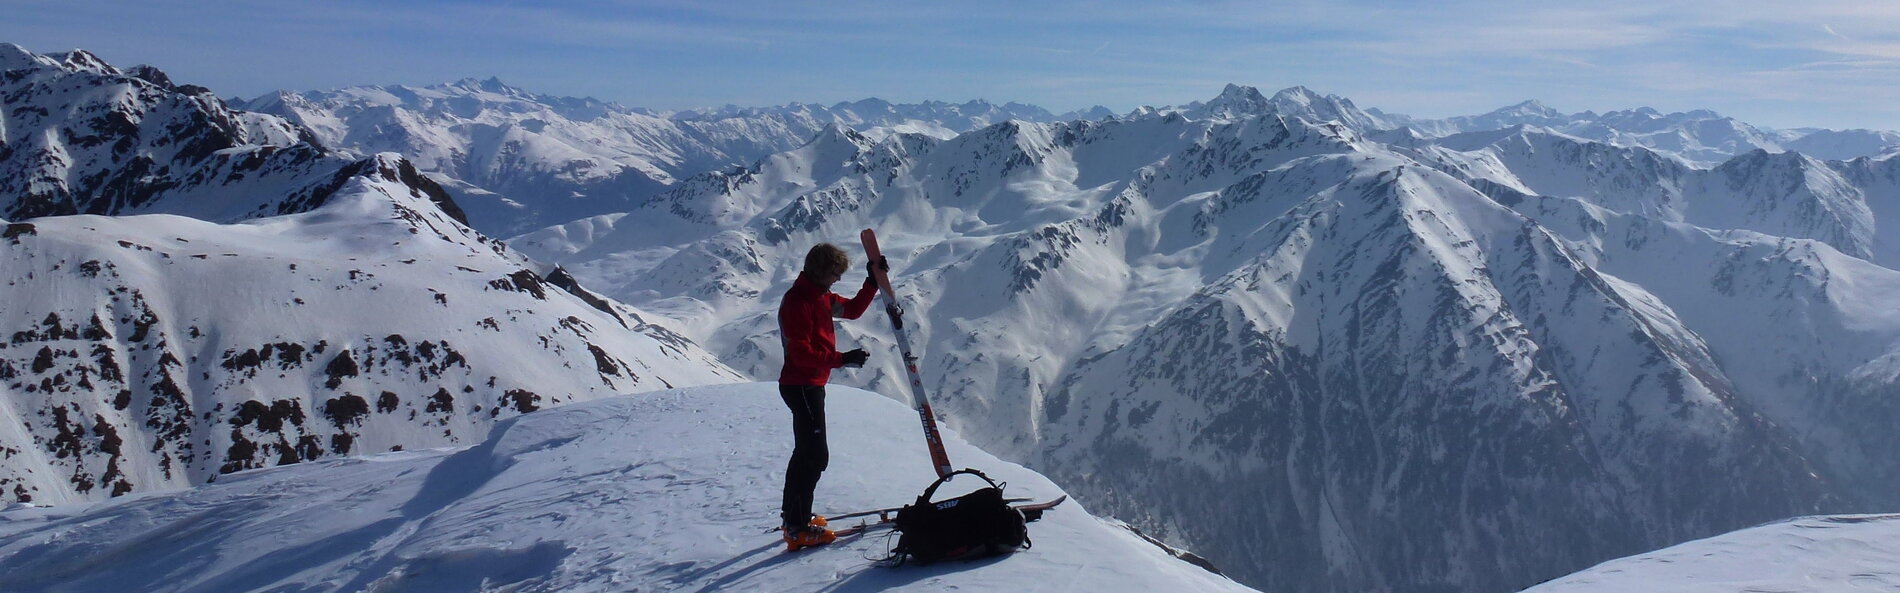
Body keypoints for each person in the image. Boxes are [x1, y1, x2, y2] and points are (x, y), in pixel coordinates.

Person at [778, 242, 885, 549]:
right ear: (820, 271)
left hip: (810, 384)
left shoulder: (819, 296)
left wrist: (870, 284)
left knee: (806, 453)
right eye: (834, 274)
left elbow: (850, 310)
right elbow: (800, 354)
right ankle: (797, 527)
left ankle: (796, 517)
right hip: (801, 384)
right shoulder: (798, 302)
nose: (837, 280)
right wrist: (841, 359)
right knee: (813, 456)